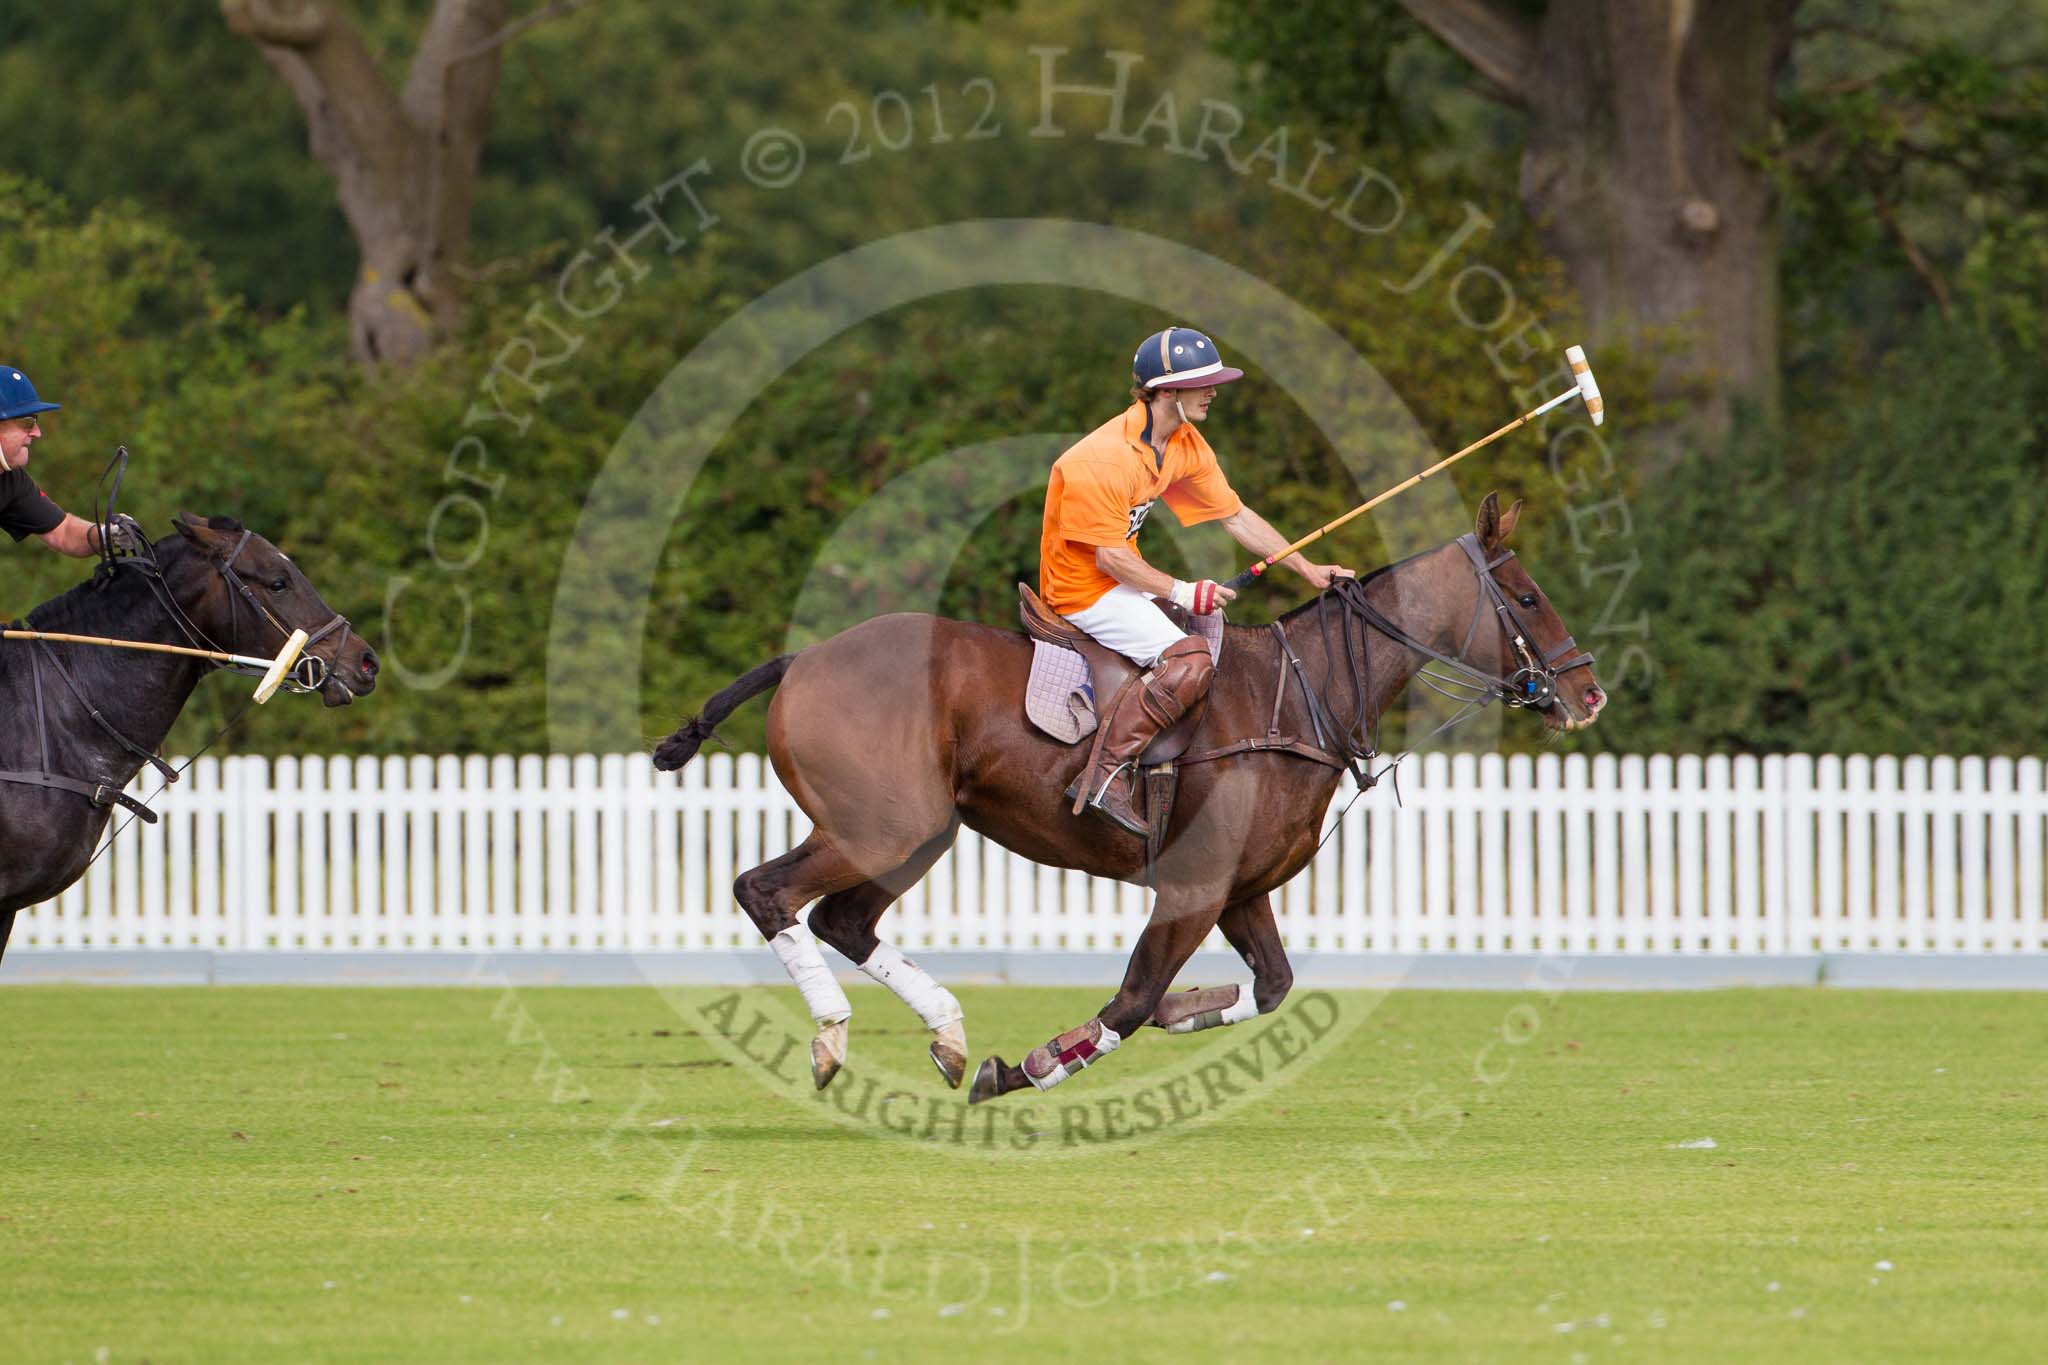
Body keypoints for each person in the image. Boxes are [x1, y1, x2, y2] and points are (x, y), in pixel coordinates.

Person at [1039, 327, 1354, 838]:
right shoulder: (1100, 460)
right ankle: (1103, 777)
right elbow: (1111, 558)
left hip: (1119, 583)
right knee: (1189, 659)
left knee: (1213, 634)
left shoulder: (1183, 442)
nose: (1214, 390)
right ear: (1165, 391)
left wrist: (1308, 569)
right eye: (1202, 383)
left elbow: (1235, 516)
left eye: (1215, 381)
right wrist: (1182, 590)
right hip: (1082, 591)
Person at [0, 366, 139, 556]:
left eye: (36, 421)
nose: (37, 432)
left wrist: (104, 535)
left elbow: (63, 532)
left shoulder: (10, 480)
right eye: (27, 423)